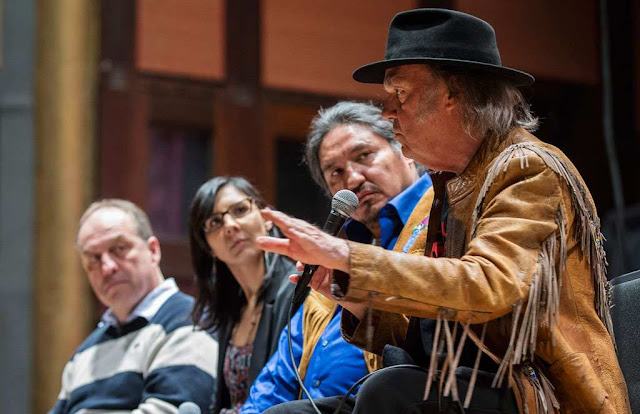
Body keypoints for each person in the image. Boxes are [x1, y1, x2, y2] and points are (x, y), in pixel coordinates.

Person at [256, 8, 631, 414]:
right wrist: (351, 295)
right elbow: (428, 332)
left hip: (537, 393)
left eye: (400, 94)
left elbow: (488, 287)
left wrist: (348, 255)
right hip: (461, 383)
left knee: (390, 389)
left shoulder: (527, 167)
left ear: (455, 93)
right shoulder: (451, 183)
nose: (387, 111)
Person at [241, 101, 432, 414]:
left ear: (404, 149)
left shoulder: (440, 216)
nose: (353, 179)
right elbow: (280, 374)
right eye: (336, 172)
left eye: (364, 156)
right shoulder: (335, 254)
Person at [49, 199, 218, 414]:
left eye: (119, 249)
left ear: (153, 250)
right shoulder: (84, 353)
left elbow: (169, 410)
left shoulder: (190, 322)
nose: (107, 267)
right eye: (94, 258)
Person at [189, 176, 303, 413]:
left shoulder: (297, 289)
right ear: (208, 247)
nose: (230, 225)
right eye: (215, 222)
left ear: (266, 218)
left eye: (240, 210)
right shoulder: (229, 308)